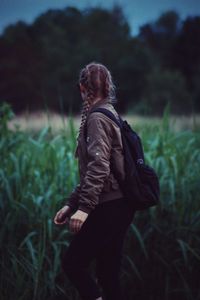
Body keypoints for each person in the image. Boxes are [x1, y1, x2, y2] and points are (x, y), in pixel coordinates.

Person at [54, 62, 136, 300]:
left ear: (82, 88)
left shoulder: (97, 118)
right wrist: (72, 204)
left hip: (108, 205)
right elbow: (99, 167)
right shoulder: (111, 113)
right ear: (109, 86)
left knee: (73, 264)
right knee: (108, 275)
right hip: (121, 205)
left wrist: (84, 208)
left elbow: (98, 167)